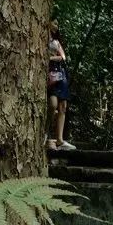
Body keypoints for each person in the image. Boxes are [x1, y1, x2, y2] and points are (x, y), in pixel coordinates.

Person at [46, 19, 75, 151]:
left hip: (59, 74)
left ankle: (59, 140)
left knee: (62, 106)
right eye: (55, 23)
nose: (56, 26)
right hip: (49, 76)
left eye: (58, 24)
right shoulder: (43, 37)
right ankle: (46, 134)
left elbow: (62, 57)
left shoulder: (56, 42)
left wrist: (51, 57)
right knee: (52, 105)